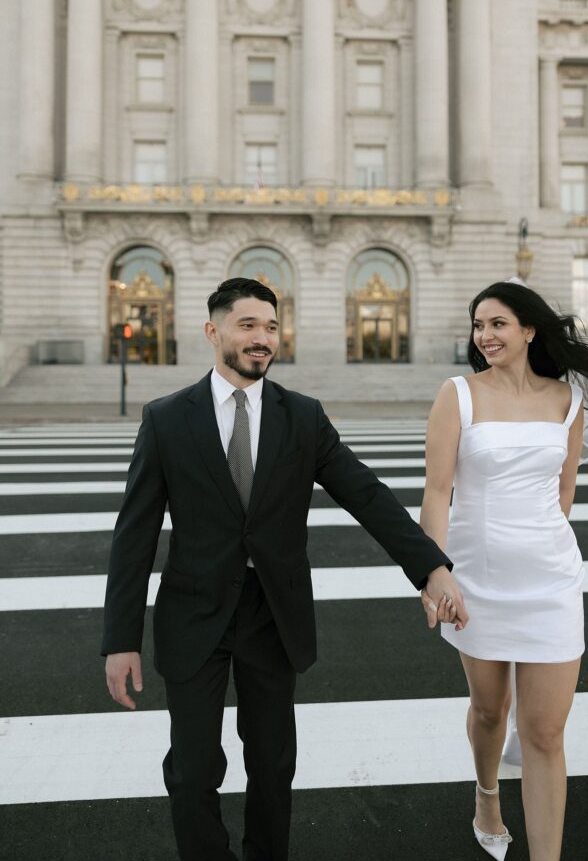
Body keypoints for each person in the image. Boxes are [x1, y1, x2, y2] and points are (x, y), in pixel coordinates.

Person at [102, 276, 467, 861]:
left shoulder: (303, 417)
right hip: (193, 614)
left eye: (271, 327)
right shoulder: (166, 419)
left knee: (272, 766)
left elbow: (366, 495)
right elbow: (134, 537)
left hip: (273, 614)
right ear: (213, 331)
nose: (262, 339)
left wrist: (431, 568)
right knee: (193, 770)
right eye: (248, 325)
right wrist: (120, 639)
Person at [419, 280, 588, 861]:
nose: (484, 336)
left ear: (529, 329)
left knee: (545, 734)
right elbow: (437, 493)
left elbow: (564, 495)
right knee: (490, 710)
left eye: (497, 324)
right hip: (476, 580)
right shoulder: (456, 394)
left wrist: (536, 544)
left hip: (552, 580)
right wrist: (434, 574)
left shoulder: (567, 401)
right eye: (478, 326)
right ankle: (487, 796)